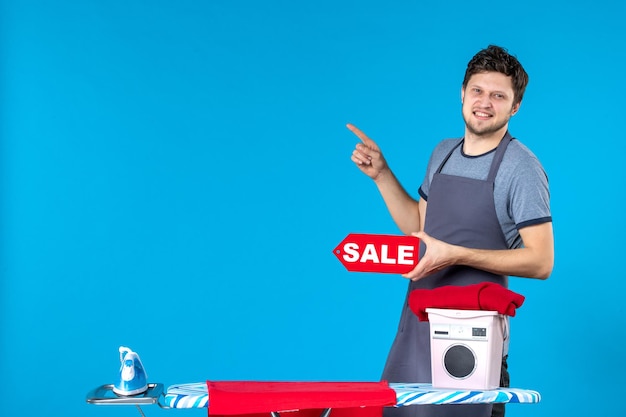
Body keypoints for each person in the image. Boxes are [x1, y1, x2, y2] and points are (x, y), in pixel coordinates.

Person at [347, 45, 554, 417]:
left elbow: (541, 261)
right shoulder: (442, 152)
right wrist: (381, 175)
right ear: (462, 93)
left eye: (498, 96)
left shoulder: (521, 167)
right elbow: (421, 227)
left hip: (473, 338)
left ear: (515, 106)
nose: (484, 102)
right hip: (417, 326)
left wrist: (455, 254)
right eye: (477, 90)